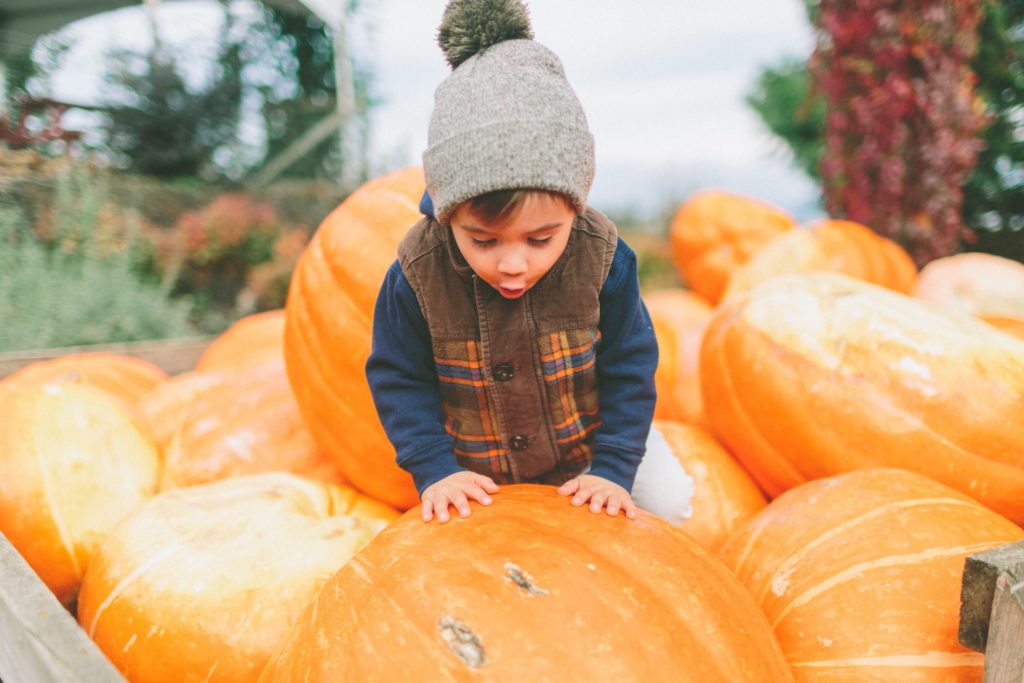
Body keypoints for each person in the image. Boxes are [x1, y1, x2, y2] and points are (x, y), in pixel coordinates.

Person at [366, 0, 693, 524]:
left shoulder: (604, 258)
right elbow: (399, 377)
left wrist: (613, 466)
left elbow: (630, 368)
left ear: (574, 204)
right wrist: (434, 470)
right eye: (484, 241)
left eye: (540, 239)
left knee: (669, 504)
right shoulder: (417, 273)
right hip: (478, 465)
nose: (513, 263)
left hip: (594, 442)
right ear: (449, 215)